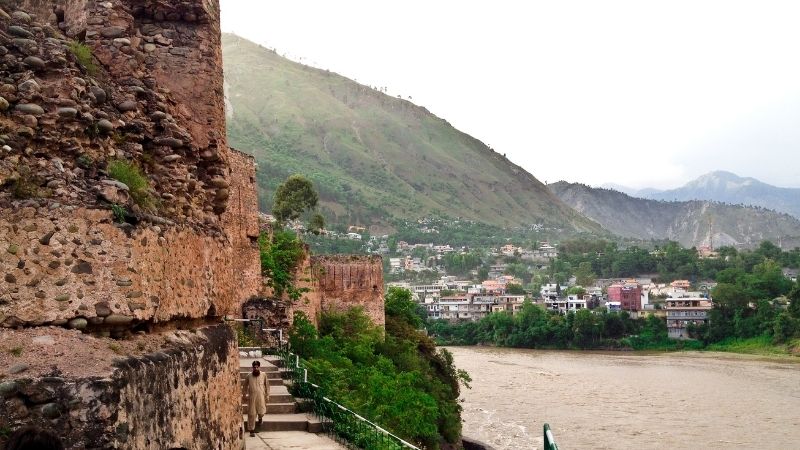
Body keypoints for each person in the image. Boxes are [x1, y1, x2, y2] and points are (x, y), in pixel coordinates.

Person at [246, 360, 270, 437]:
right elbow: (245, 386)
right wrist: (244, 395)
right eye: (254, 367)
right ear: (252, 367)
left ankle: (260, 418)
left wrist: (267, 395)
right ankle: (251, 430)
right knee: (252, 414)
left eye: (257, 367)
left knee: (262, 412)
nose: (256, 368)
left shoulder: (263, 375)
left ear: (259, 367)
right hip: (252, 398)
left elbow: (267, 386)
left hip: (261, 397)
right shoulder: (249, 376)